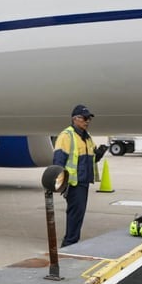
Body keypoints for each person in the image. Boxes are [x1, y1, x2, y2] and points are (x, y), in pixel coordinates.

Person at [52, 104, 98, 247]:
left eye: (89, 119)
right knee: (75, 213)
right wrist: (61, 184)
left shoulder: (87, 137)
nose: (87, 121)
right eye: (85, 118)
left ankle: (72, 241)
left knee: (79, 213)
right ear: (75, 119)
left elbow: (89, 158)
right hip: (73, 183)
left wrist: (100, 154)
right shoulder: (67, 136)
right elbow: (59, 161)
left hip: (83, 181)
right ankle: (69, 243)